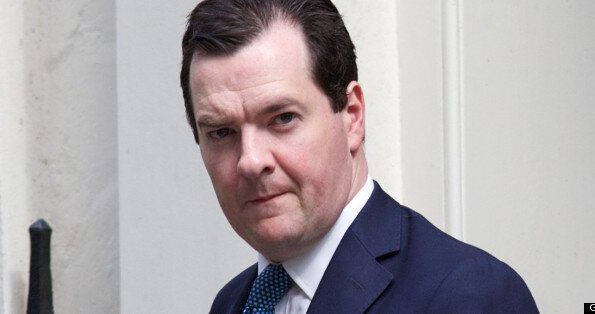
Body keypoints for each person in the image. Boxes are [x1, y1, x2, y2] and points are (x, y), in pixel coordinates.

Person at [179, 0, 538, 313]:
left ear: (352, 115)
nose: (251, 161)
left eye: (282, 118)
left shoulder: (470, 296)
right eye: (221, 132)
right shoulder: (232, 303)